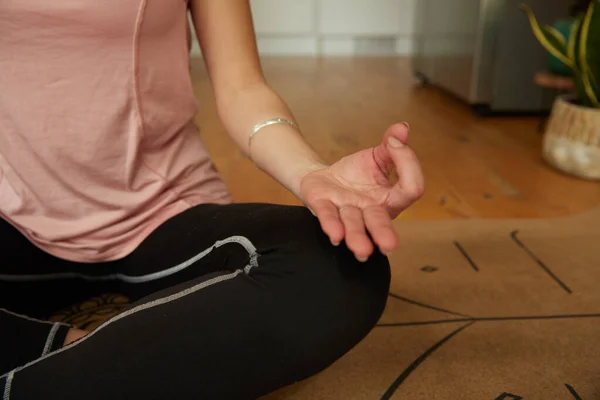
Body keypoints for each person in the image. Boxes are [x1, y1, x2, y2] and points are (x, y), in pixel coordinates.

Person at [0, 1, 424, 399]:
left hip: (161, 213)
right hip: (10, 220)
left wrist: (309, 173)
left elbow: (243, 88)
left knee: (343, 266)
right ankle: (86, 356)